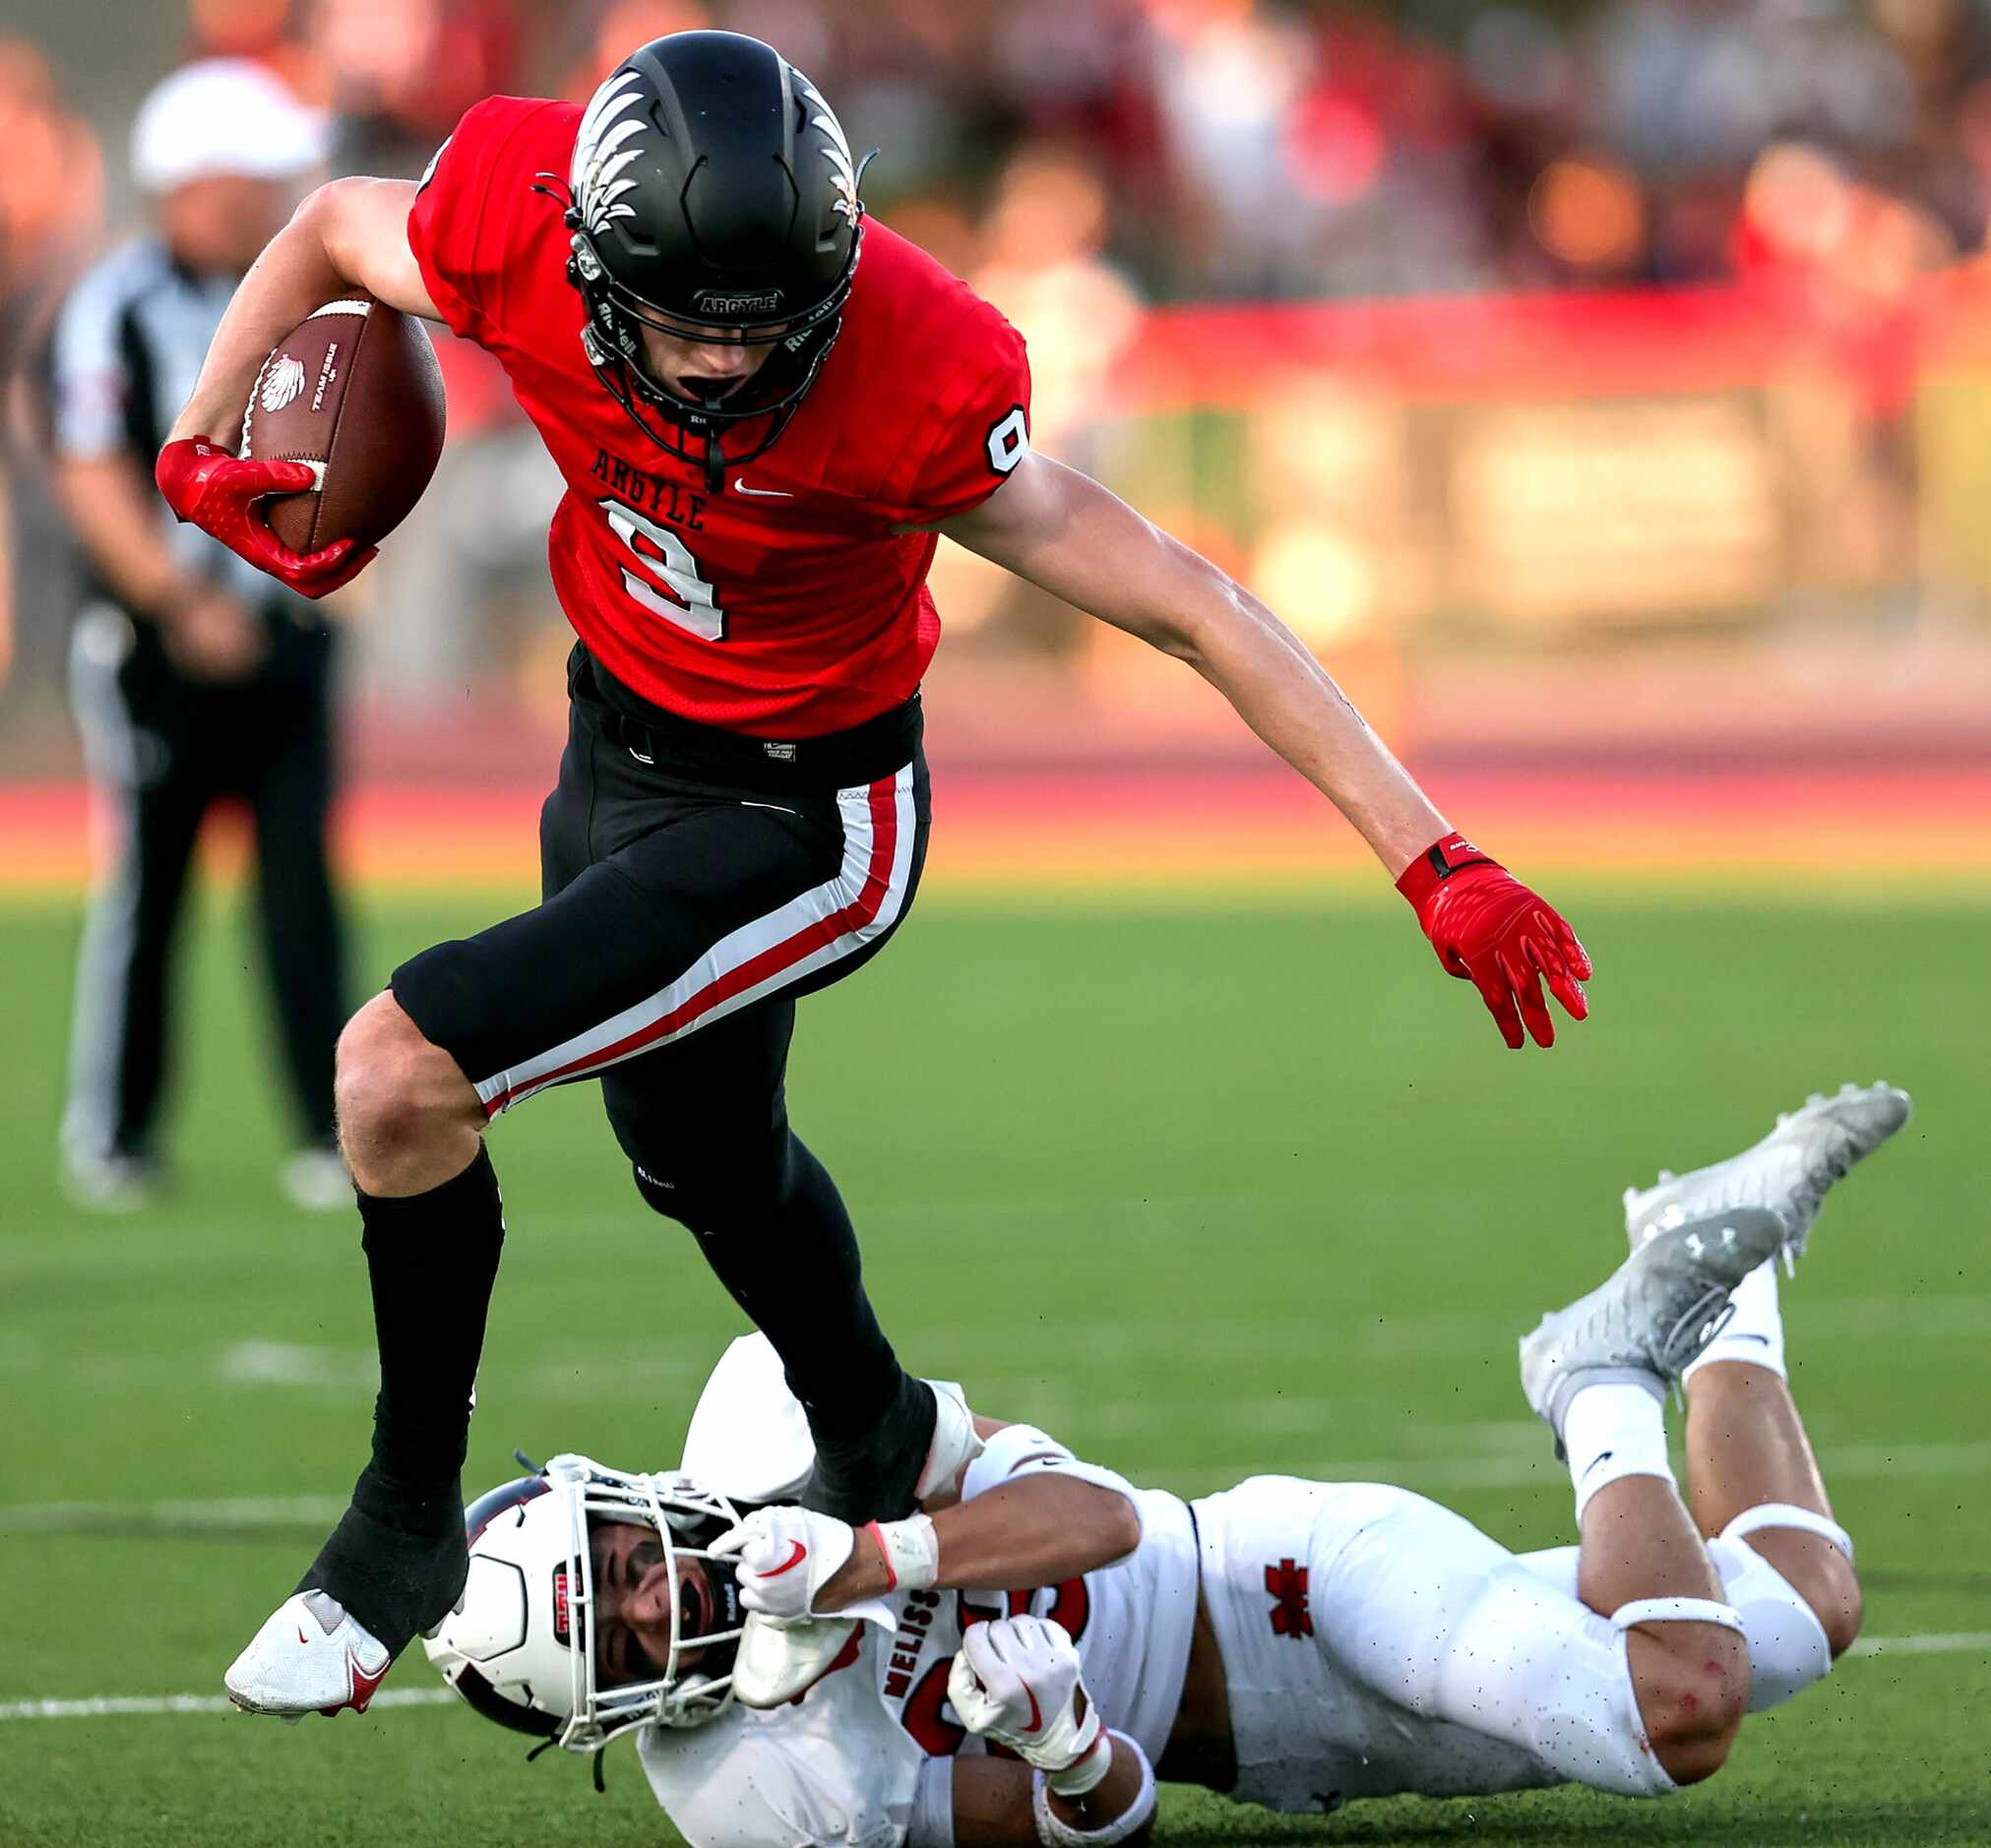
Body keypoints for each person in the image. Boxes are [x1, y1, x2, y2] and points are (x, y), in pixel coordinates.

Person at [150, 31, 1593, 1715]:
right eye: (681, 320)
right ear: (598, 263)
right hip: (617, 736)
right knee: (687, 1145)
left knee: (399, 1070)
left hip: (804, 818)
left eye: (760, 325)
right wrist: (199, 442)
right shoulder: (513, 214)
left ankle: (399, 1521)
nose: (714, 362)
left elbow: (1185, 597)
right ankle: (886, 1434)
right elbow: (331, 226)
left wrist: (1429, 850)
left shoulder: (912, 371)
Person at [419, 1081, 1907, 1847]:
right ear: (600, 1714)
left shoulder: (768, 1428)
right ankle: (1722, 1280)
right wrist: (1067, 1747)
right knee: (1801, 1602)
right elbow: (1095, 1828)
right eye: (613, 1636)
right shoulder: (752, 1791)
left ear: (622, 1505)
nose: (653, 1601)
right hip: (1276, 1754)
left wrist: (876, 1558)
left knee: (1672, 1708)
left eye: (615, 1567)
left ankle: (1592, 1377)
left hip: (1287, 1575)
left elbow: (1094, 1516)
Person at [46, 60, 351, 1213]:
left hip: (285, 637)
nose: (279, 194)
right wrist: (182, 607)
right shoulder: (116, 301)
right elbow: (91, 474)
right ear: (194, 184)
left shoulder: (314, 310)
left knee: (302, 891)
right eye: (256, 176)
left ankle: (330, 1126)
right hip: (155, 655)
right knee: (149, 894)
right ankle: (116, 1132)